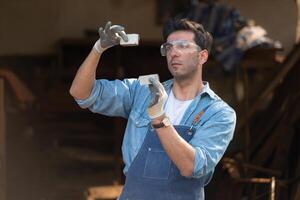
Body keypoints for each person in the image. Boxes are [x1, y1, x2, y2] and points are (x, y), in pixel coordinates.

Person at [70, 19, 236, 200]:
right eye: (169, 47)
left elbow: (191, 166)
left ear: (202, 56)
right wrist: (98, 48)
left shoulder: (219, 113)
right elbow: (81, 93)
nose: (174, 53)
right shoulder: (143, 90)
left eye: (183, 46)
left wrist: (158, 117)